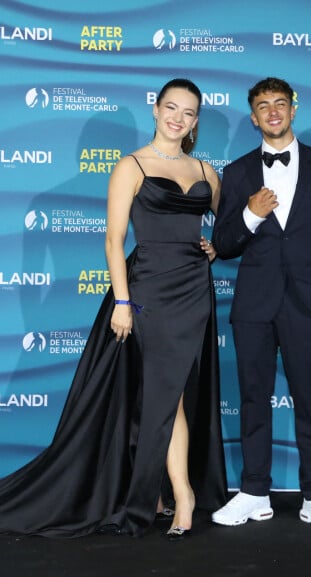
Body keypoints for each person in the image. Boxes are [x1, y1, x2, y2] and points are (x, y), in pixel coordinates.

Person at [0, 78, 227, 539]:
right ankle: (179, 495)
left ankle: (165, 492)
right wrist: (122, 301)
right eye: (171, 107)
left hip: (194, 292)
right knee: (166, 394)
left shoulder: (207, 172)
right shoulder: (131, 166)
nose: (178, 118)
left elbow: (208, 228)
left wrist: (211, 248)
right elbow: (113, 239)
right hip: (147, 292)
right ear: (156, 109)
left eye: (188, 112)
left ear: (196, 120)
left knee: (177, 393)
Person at [211, 77, 311, 531]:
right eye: (262, 106)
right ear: (253, 118)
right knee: (254, 400)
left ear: (293, 110)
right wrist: (251, 214)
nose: (272, 112)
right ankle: (254, 490)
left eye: (279, 104)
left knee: (310, 400)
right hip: (254, 304)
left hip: (309, 302)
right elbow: (223, 243)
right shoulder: (235, 173)